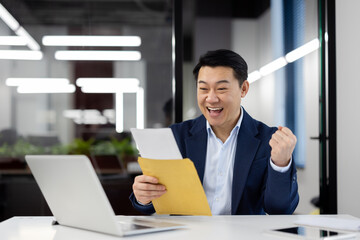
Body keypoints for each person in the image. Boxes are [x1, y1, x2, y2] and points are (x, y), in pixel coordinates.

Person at [130, 49, 299, 215]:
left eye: (221, 89)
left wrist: (281, 164)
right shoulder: (176, 136)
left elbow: (279, 209)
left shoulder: (268, 140)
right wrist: (144, 197)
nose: (211, 98)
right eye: (203, 89)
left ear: (244, 89)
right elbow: (150, 203)